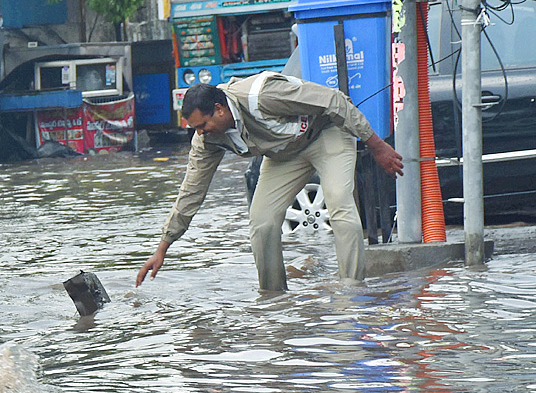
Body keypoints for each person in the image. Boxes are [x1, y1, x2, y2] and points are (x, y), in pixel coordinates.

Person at [138, 72, 404, 292]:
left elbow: (333, 102)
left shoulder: (263, 96)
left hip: (327, 133)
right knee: (262, 221)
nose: (200, 133)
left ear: (219, 110)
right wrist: (163, 246)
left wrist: (377, 146)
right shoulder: (207, 140)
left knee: (338, 201)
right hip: (285, 154)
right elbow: (191, 191)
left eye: (202, 125)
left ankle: (351, 288)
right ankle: (273, 297)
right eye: (195, 128)